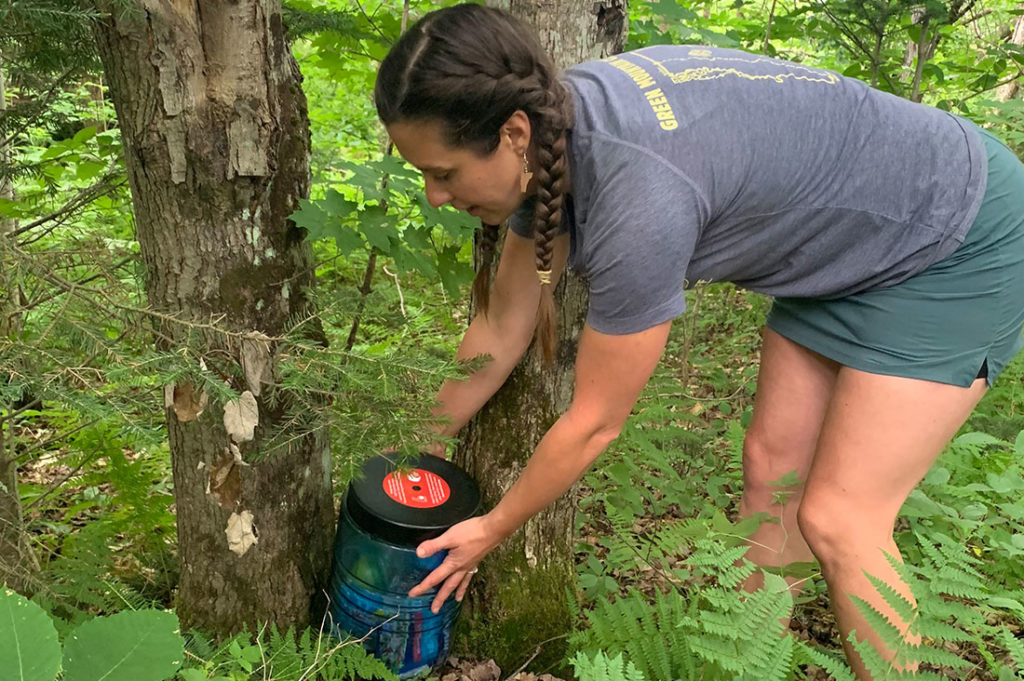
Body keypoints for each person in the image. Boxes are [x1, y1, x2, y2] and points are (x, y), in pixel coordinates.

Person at [372, 4, 1024, 677]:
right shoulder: (553, 135)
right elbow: (501, 329)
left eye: (444, 173)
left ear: (511, 133)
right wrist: (403, 453)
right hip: (850, 246)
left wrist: (490, 529)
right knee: (775, 475)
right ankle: (748, 660)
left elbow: (595, 422)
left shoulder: (640, 198)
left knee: (840, 515)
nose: (433, 197)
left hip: (956, 234)